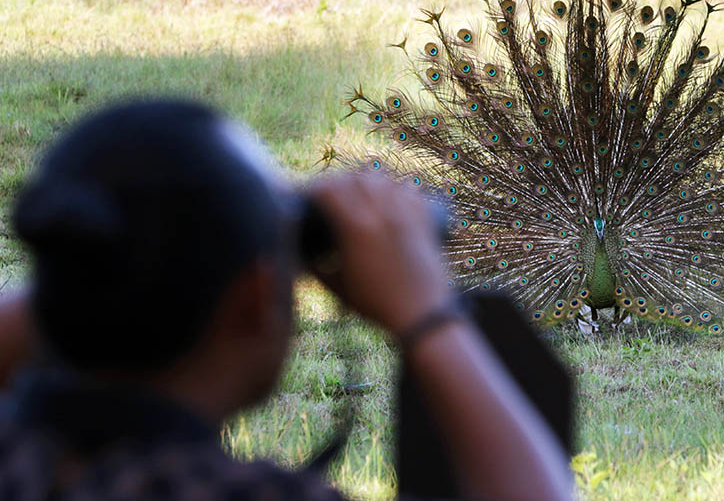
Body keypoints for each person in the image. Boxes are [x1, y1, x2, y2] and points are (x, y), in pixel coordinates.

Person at [0, 98, 573, 501]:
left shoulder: (19, 454)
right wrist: (424, 312)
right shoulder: (237, 494)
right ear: (254, 296)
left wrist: (93, 279)